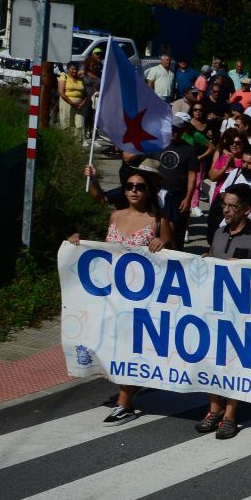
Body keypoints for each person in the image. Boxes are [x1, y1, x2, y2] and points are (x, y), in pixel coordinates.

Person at [72, 163, 173, 425]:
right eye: (129, 186)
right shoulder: (115, 217)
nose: (134, 191)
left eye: (140, 187)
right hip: (110, 295)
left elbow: (174, 259)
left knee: (131, 347)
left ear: (149, 191)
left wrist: (163, 243)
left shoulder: (158, 221)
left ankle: (124, 403)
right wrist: (76, 245)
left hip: (141, 298)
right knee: (113, 346)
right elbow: (101, 249)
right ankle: (130, 387)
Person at [196, 184, 251, 441]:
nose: (227, 210)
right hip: (215, 310)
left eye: (233, 206)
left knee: (235, 365)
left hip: (243, 314)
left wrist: (244, 267)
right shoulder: (219, 233)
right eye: (225, 205)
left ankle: (230, 415)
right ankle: (214, 409)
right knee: (211, 359)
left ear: (247, 209)